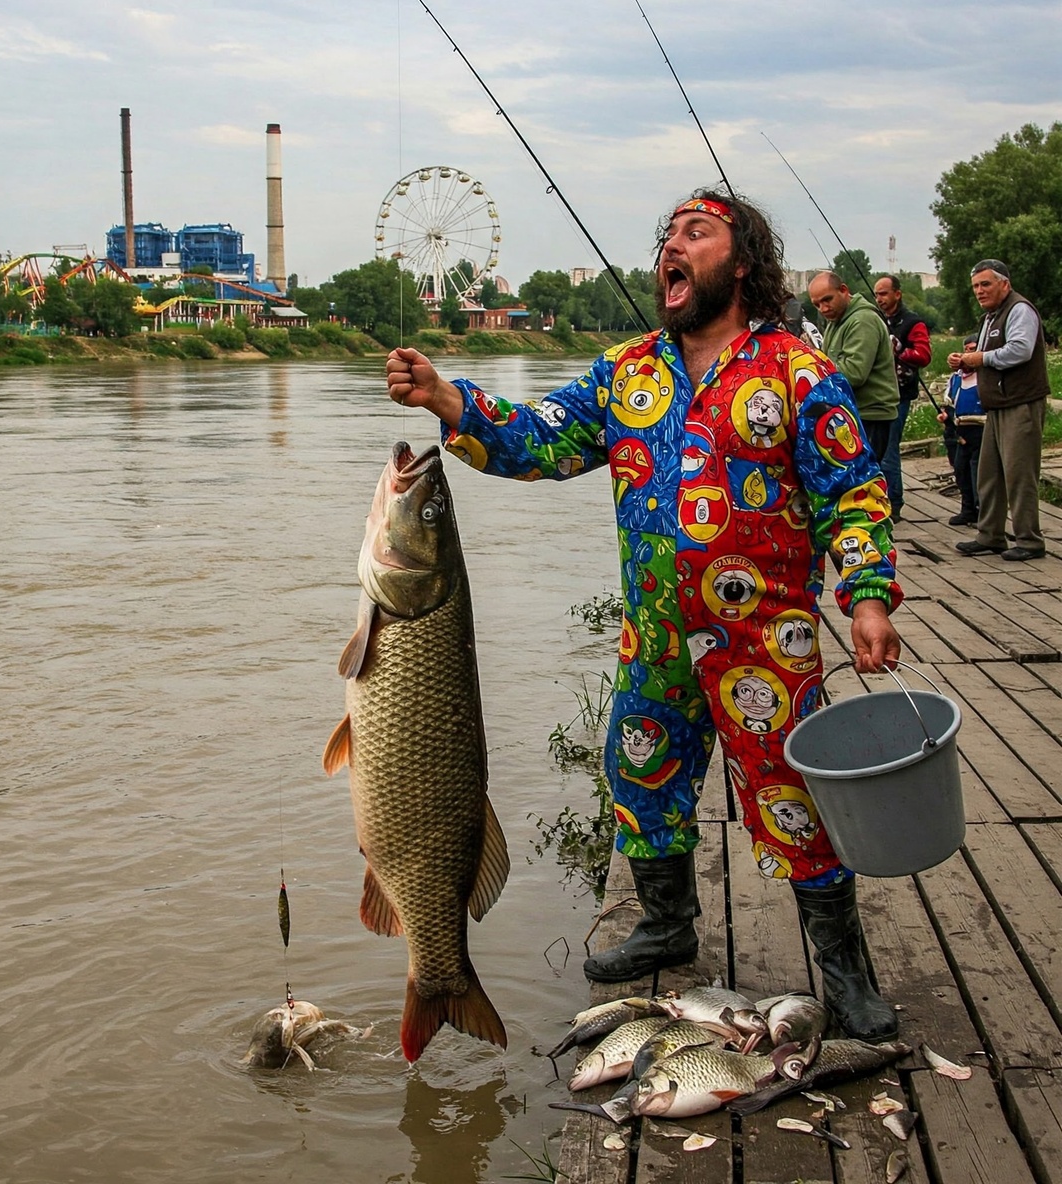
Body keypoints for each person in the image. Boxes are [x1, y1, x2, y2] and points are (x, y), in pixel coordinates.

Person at [386, 189, 902, 1042]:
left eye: (695, 233)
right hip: (656, 638)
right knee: (641, 779)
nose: (673, 245)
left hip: (766, 644)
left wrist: (870, 595)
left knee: (796, 799)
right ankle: (667, 923)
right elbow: (537, 437)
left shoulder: (798, 374)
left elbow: (853, 494)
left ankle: (846, 973)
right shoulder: (628, 372)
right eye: (666, 234)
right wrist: (446, 398)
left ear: (742, 264)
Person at [952, 259, 1049, 562]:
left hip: (1021, 403)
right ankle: (990, 535)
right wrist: (967, 360)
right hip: (996, 405)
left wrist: (980, 359)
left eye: (985, 284)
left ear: (1004, 284)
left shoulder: (1019, 309)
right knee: (989, 473)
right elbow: (985, 354)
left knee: (1019, 474)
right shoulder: (990, 317)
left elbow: (1021, 349)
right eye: (976, 287)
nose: (979, 292)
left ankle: (1029, 540)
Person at [808, 272, 900, 463]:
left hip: (871, 416)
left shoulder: (862, 320)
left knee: (863, 479)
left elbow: (854, 373)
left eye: (827, 300)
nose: (823, 308)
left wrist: (812, 363)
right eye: (817, 304)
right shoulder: (837, 321)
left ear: (843, 290)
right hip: (852, 413)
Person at [873, 276, 932, 522]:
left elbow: (924, 355)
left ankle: (894, 502)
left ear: (897, 294)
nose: (880, 300)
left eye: (884, 294)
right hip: (882, 393)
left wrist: (899, 349)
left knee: (889, 450)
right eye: (877, 295)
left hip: (900, 394)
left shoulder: (913, 322)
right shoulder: (877, 320)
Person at [938, 334, 985, 527]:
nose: (968, 353)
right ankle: (967, 510)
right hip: (960, 432)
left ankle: (982, 511)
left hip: (982, 430)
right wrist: (946, 416)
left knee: (978, 473)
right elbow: (950, 405)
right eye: (966, 350)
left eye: (973, 349)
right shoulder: (955, 379)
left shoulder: (985, 376)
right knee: (961, 470)